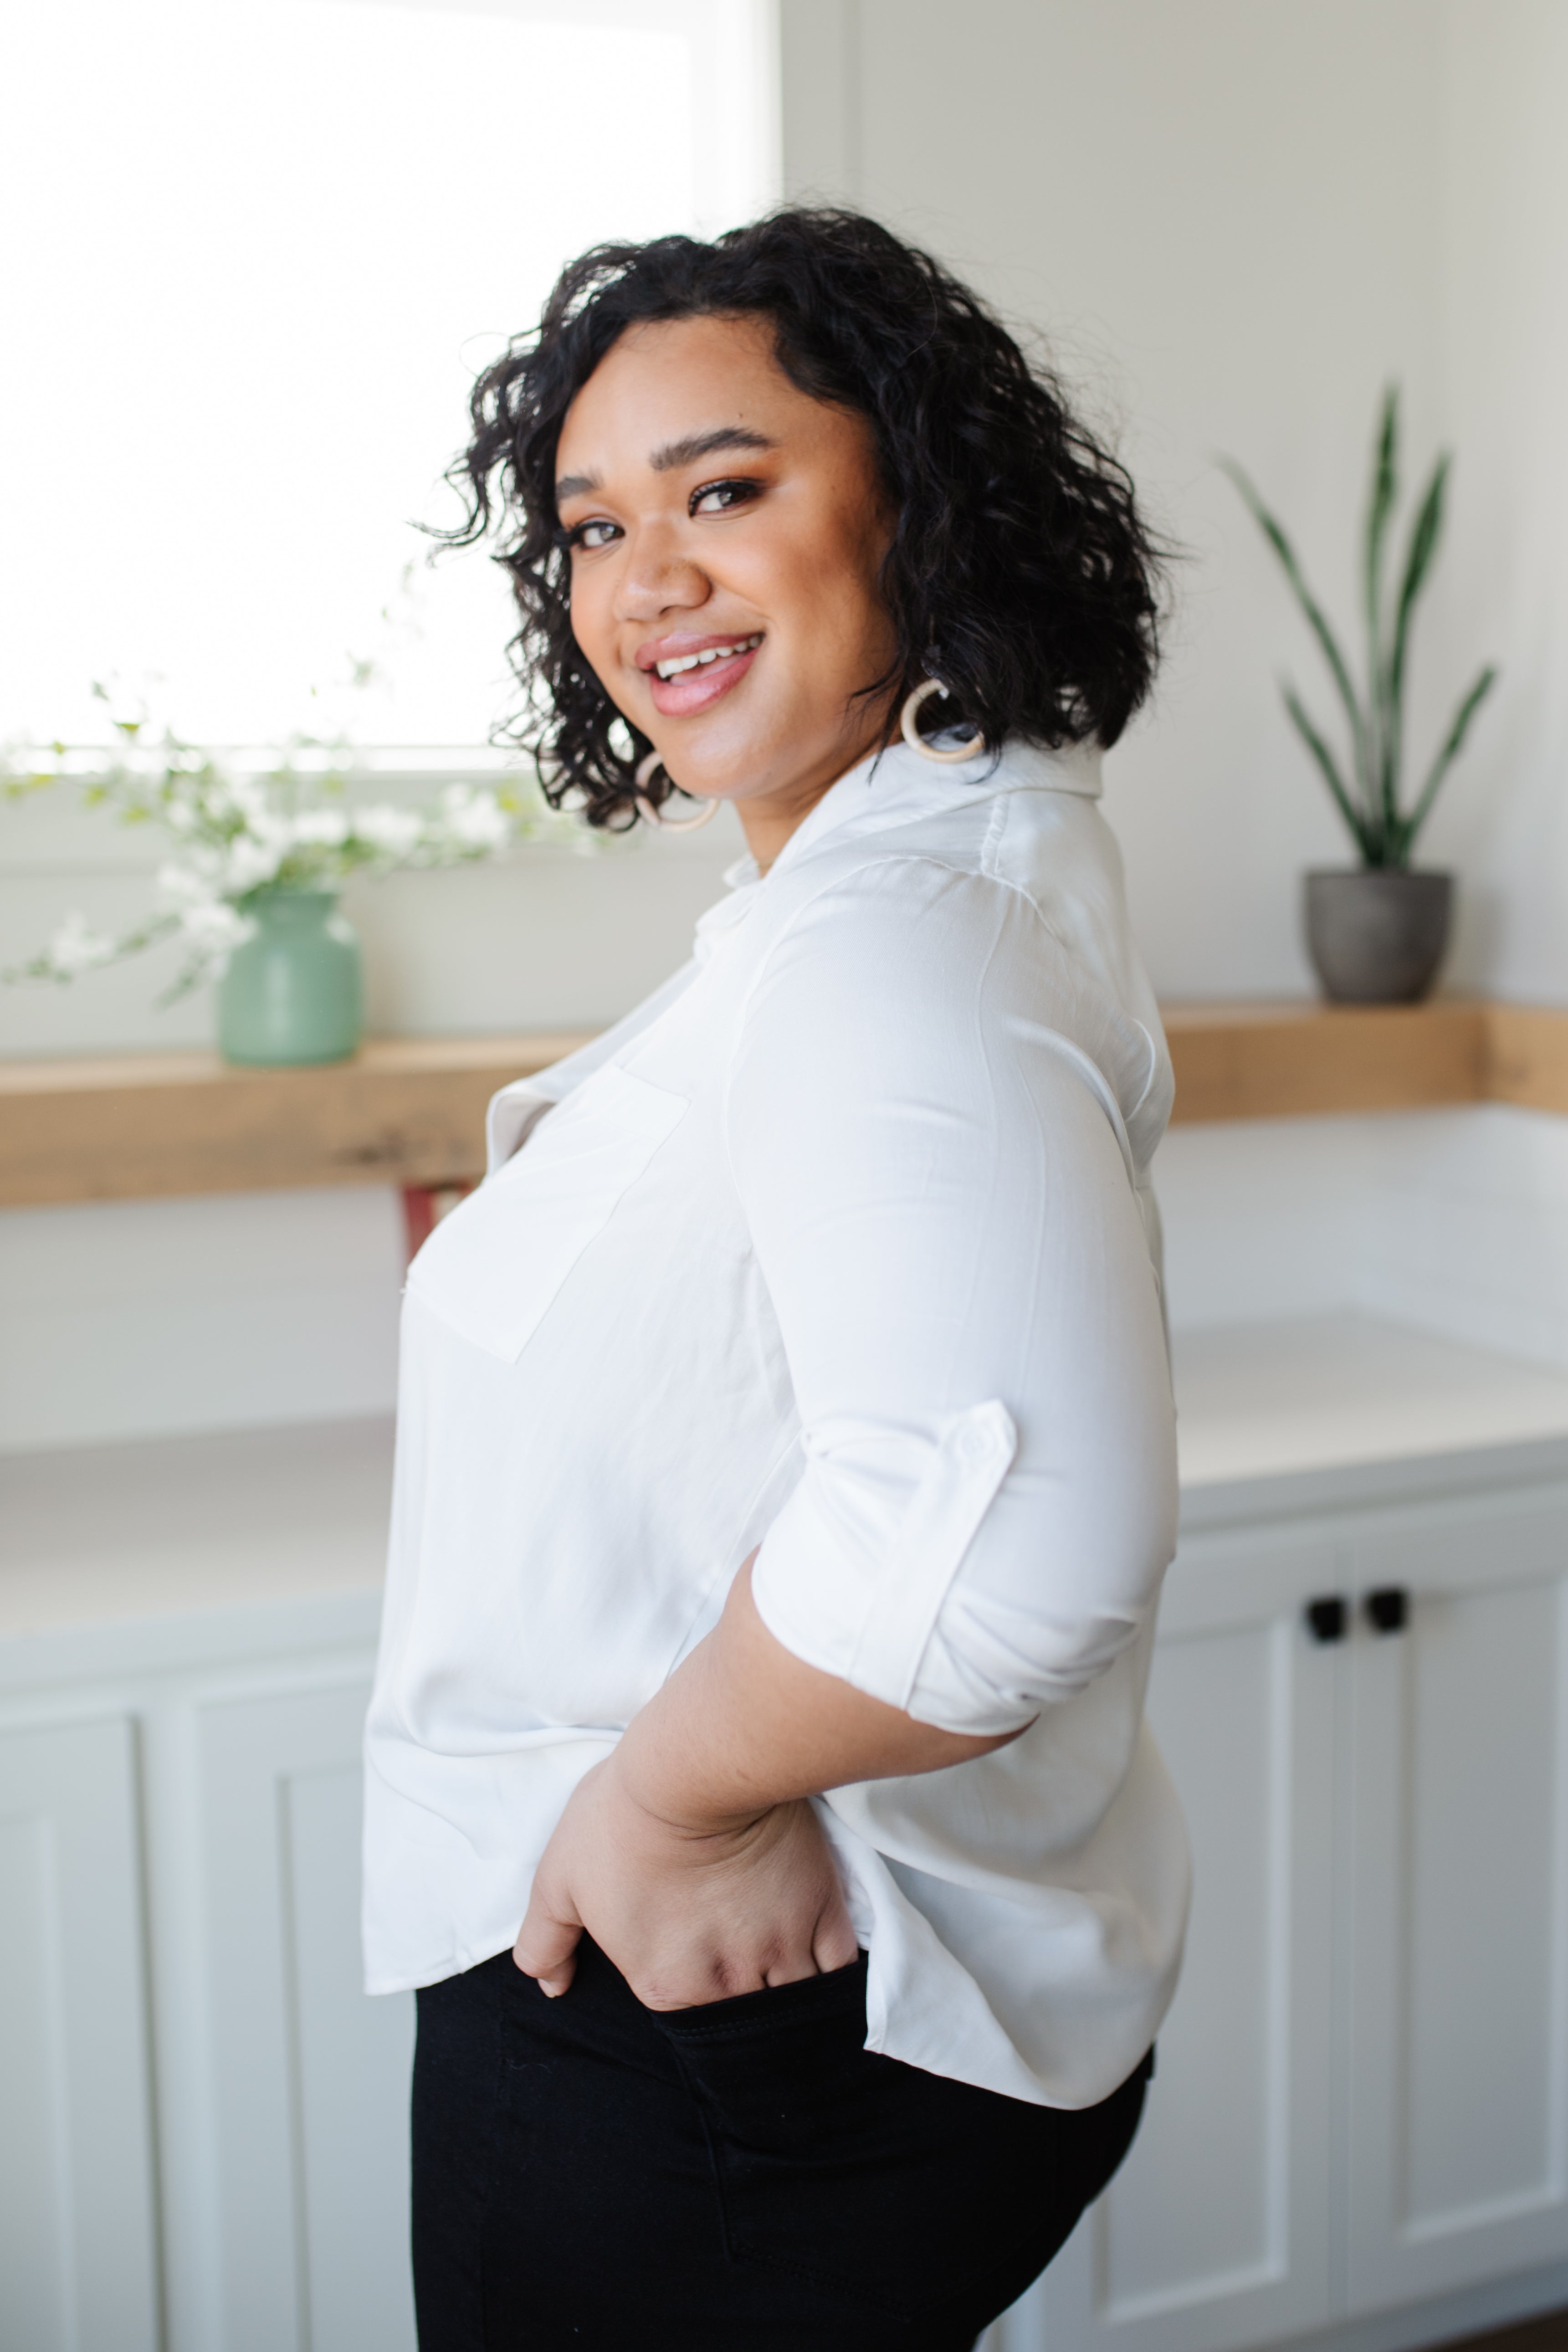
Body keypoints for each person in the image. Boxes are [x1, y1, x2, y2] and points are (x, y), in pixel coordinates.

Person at [364, 207, 1189, 2352]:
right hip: (742, 1989)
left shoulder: (889, 935)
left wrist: (668, 1799)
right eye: (591, 523)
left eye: (725, 491)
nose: (643, 583)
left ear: (918, 497)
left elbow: (1012, 1542)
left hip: (700, 1999)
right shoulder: (900, 871)